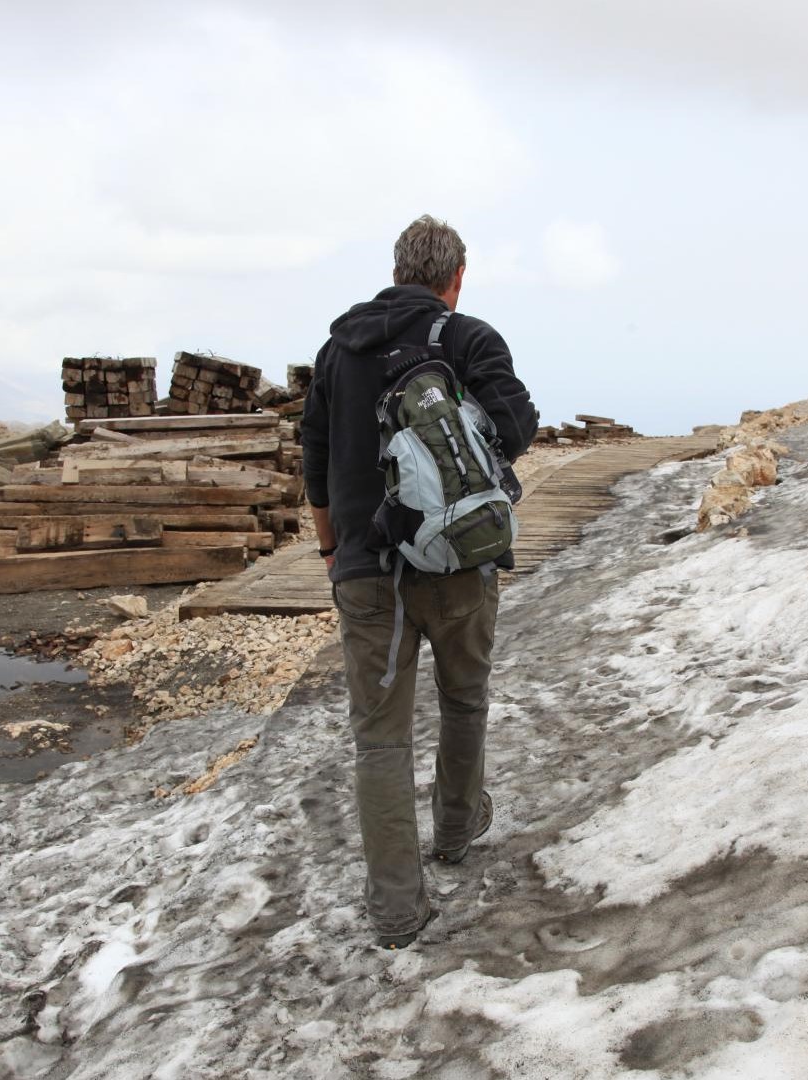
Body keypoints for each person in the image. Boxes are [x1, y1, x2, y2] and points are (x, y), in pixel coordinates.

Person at [301, 215, 538, 950]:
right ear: (454, 278)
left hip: (367, 572)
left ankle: (398, 911)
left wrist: (333, 550)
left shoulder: (337, 349)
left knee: (380, 741)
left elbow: (314, 457)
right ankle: (458, 829)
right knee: (464, 699)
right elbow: (518, 427)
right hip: (459, 564)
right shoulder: (467, 339)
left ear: (398, 268)